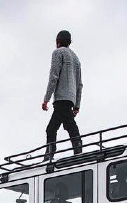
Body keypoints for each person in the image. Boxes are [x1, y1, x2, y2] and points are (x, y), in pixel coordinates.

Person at [42, 30, 83, 161]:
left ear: (57, 41)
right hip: (71, 98)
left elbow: (54, 77)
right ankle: (76, 149)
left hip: (61, 97)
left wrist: (46, 99)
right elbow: (79, 84)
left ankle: (50, 154)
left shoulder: (58, 53)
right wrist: (77, 105)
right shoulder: (76, 59)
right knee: (62, 125)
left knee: (56, 127)